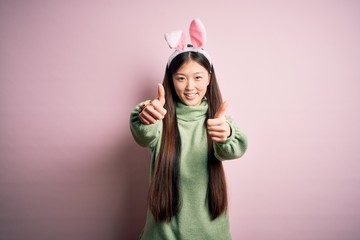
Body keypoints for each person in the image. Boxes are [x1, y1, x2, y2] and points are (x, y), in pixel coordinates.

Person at [129, 19, 247, 240]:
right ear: (171, 81)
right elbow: (144, 134)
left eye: (198, 77)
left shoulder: (217, 121)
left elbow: (236, 148)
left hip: (211, 232)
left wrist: (227, 134)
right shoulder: (160, 117)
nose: (190, 87)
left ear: (209, 78)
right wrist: (144, 116)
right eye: (181, 78)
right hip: (161, 233)